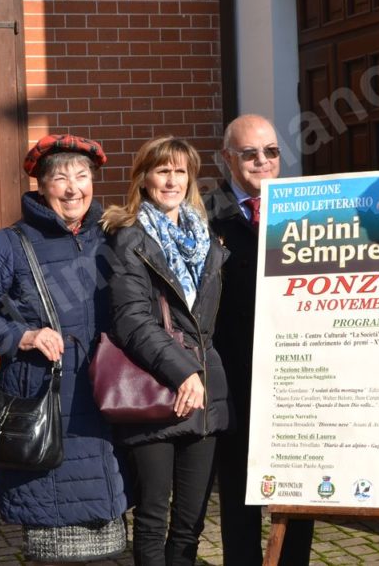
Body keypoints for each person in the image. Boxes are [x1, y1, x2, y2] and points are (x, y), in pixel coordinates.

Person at [0, 134, 127, 564]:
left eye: (83, 175)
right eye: (61, 177)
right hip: (47, 400)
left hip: (108, 399)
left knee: (110, 532)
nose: (74, 188)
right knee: (55, 542)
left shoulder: (112, 236)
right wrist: (23, 337)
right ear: (41, 184)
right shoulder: (10, 244)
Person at [102, 136, 231, 566]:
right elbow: (132, 321)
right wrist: (183, 372)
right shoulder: (129, 239)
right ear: (144, 179)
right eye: (162, 170)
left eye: (180, 171)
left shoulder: (206, 237)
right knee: (154, 516)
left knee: (191, 519)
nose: (171, 180)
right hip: (156, 388)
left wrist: (199, 375)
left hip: (205, 389)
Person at [204, 115, 314, 566]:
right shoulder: (206, 215)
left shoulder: (307, 210)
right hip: (235, 373)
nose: (263, 161)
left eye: (271, 151)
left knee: (298, 486)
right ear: (229, 158)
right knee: (238, 486)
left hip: (298, 375)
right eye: (250, 153)